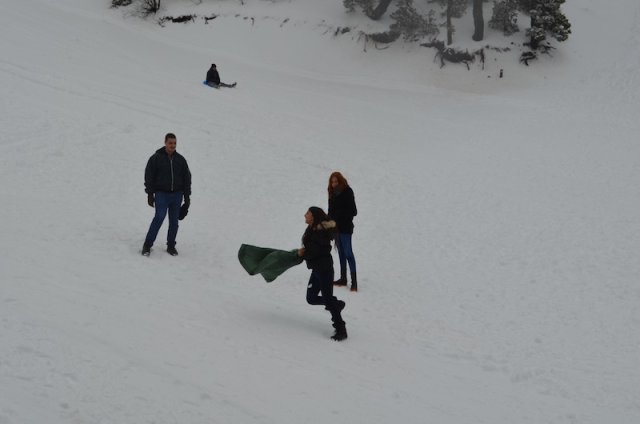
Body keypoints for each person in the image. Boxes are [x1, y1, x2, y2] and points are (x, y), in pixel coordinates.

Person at [298, 207, 347, 341]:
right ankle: (336, 304)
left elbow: (316, 251)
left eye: (307, 213)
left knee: (328, 300)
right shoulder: (312, 229)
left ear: (313, 216)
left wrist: (303, 253)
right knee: (311, 298)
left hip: (324, 270)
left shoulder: (320, 232)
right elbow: (311, 249)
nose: (304, 215)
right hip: (316, 269)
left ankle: (341, 329)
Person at [142, 133, 192, 256]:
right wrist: (150, 194)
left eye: (174, 143)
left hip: (177, 195)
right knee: (159, 217)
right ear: (165, 142)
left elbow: (187, 178)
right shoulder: (156, 158)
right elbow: (149, 176)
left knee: (174, 221)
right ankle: (147, 245)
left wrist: (186, 197)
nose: (173, 145)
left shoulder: (180, 160)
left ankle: (171, 245)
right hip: (161, 194)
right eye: (170, 143)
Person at [327, 172, 358, 291]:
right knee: (341, 253)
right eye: (332, 182)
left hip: (345, 228)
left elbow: (354, 211)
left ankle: (354, 282)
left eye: (336, 181)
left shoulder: (348, 192)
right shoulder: (331, 193)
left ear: (341, 181)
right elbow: (330, 211)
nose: (334, 184)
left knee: (348, 253)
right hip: (336, 228)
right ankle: (343, 278)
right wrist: (329, 223)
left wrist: (338, 216)